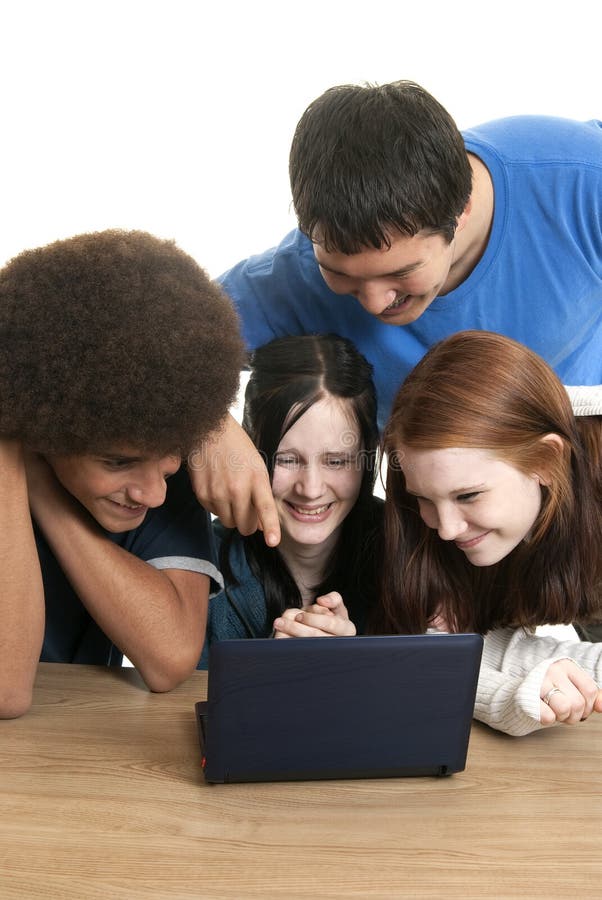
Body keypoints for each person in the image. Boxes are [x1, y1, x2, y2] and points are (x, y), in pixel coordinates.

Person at [190, 79, 602, 546]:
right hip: (437, 521)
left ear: (461, 208)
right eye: (342, 275)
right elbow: (149, 341)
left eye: (401, 274)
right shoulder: (290, 277)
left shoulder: (582, 181)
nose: (373, 302)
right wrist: (208, 427)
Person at [0, 229, 244, 718]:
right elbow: (6, 690)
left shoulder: (154, 462)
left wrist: (42, 485)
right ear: (43, 431)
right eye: (117, 462)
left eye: (172, 454)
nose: (153, 493)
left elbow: (170, 658)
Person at [378, 330, 602, 736]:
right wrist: (522, 684)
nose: (445, 529)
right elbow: (435, 652)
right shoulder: (422, 507)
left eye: (468, 495)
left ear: (548, 460)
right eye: (424, 499)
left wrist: (523, 661)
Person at [197, 333, 382, 665]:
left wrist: (352, 671)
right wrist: (269, 673)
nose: (310, 489)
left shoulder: (408, 551)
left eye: (336, 461)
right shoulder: (202, 563)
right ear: (251, 451)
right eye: (287, 459)